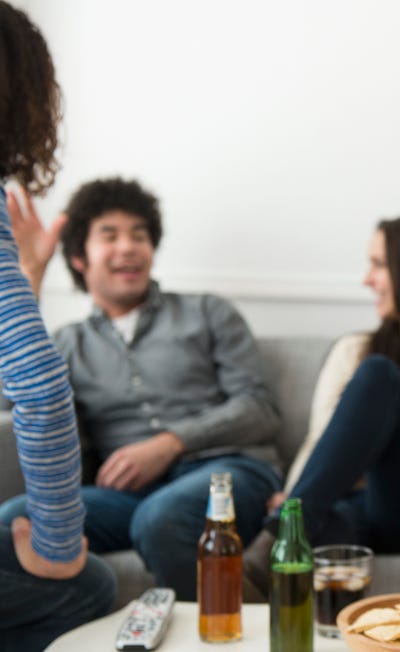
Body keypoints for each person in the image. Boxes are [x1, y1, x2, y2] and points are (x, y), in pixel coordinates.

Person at [0, 177, 283, 602]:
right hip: (125, 499)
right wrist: (30, 276)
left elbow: (259, 408)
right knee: (15, 520)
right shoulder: (67, 343)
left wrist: (169, 444)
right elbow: (15, 406)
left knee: (162, 519)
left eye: (139, 235)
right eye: (109, 236)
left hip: (224, 473)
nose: (129, 246)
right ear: (79, 257)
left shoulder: (207, 312)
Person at [242, 215, 400, 598]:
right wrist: (292, 498)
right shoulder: (354, 349)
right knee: (304, 516)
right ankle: (285, 533)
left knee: (379, 376)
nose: (367, 280)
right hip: (346, 511)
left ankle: (279, 537)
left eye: (379, 265)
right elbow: (319, 442)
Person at [0, 3, 117, 649]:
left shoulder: (204, 313)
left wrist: (25, 275)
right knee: (88, 585)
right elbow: (39, 386)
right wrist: (55, 542)